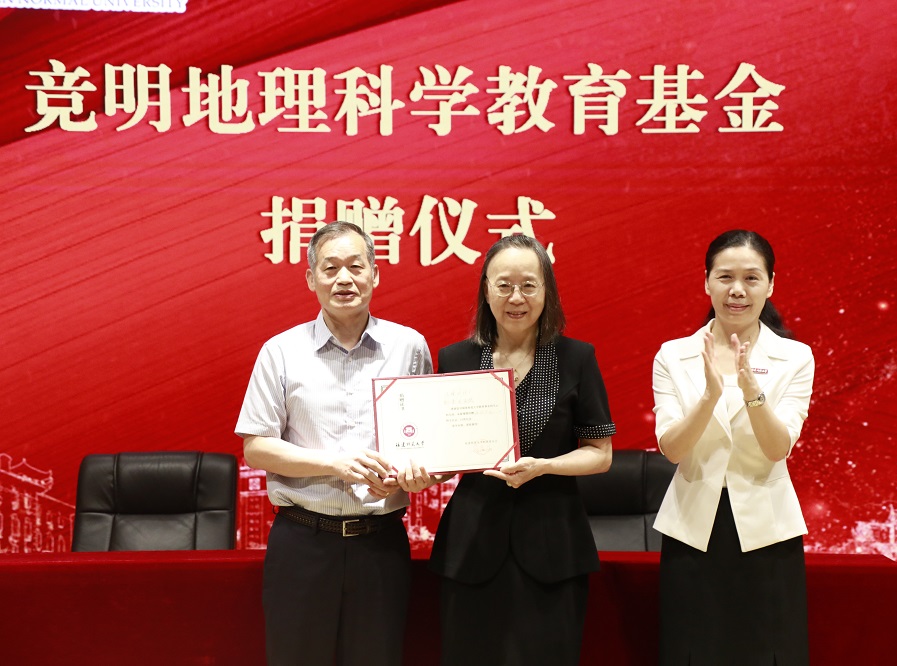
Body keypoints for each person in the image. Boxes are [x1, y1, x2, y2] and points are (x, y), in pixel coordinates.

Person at [235, 222, 435, 666]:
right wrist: (336, 464)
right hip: (303, 543)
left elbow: (425, 443)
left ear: (375, 274)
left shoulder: (409, 347)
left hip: (380, 544)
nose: (344, 279)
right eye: (330, 268)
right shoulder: (280, 351)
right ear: (311, 279)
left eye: (355, 267)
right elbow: (256, 447)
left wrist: (412, 475)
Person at [427, 234, 615, 666]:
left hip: (554, 546)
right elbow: (446, 453)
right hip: (471, 547)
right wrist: (422, 474)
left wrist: (544, 466)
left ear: (547, 290)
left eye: (529, 285)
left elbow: (600, 453)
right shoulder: (456, 359)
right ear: (486, 290)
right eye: (504, 285)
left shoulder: (576, 358)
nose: (516, 297)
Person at [652, 229, 814, 665]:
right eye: (725, 277)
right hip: (693, 530)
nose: (737, 290)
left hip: (767, 532)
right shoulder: (673, 355)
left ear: (771, 284)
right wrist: (709, 395)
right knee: (690, 651)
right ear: (706, 282)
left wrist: (751, 392)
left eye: (751, 278)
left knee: (767, 651)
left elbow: (778, 448)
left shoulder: (795, 357)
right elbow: (672, 449)